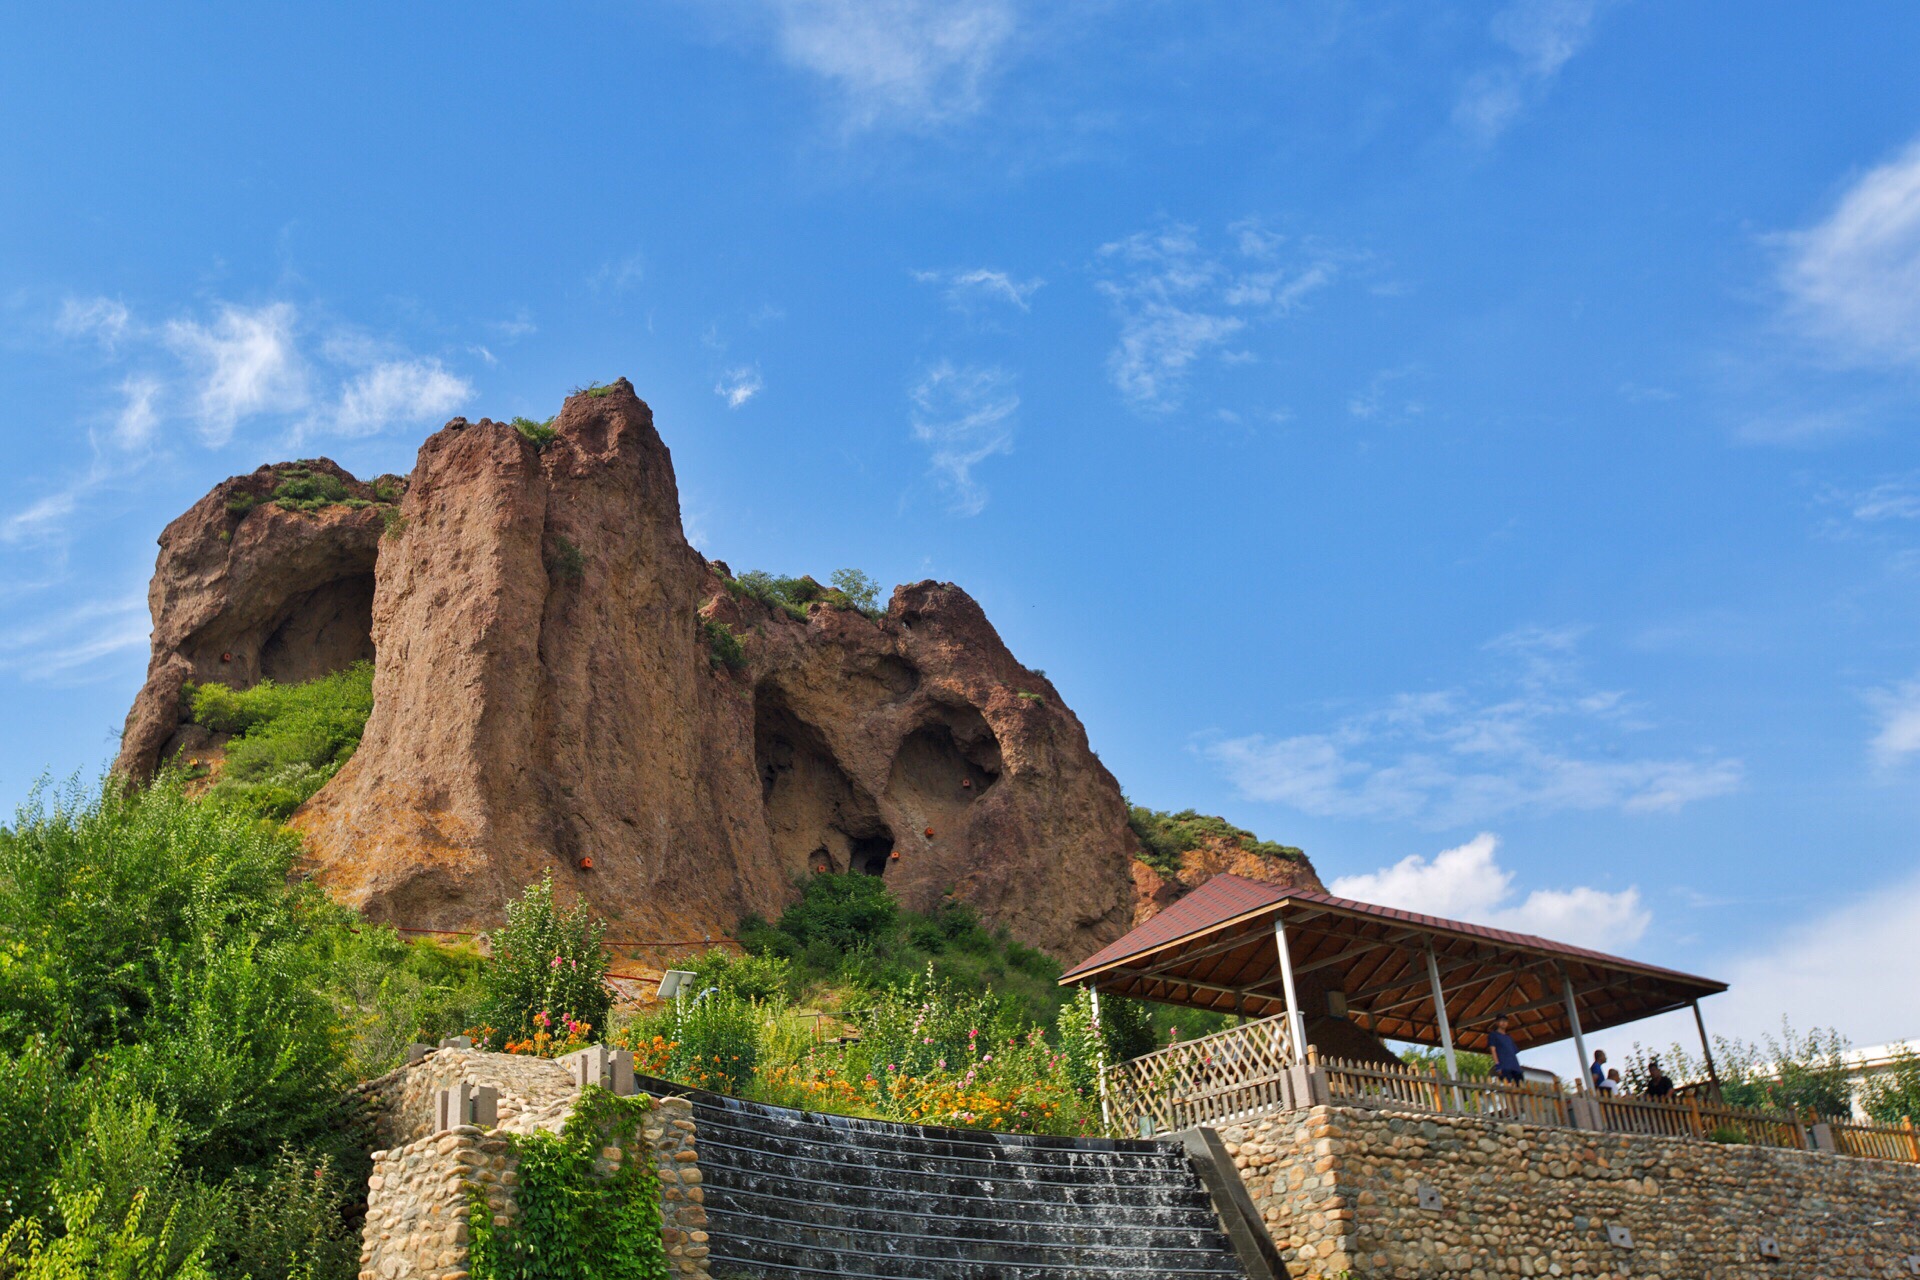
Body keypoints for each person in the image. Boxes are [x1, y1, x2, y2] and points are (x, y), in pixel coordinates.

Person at [1487, 1015, 1524, 1085]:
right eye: (1501, 1020)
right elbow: (1493, 1050)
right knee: (1508, 1087)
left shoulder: (1509, 1037)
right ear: (1497, 1023)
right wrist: (1498, 1066)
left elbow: (1513, 1052)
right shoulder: (1493, 1035)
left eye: (1505, 1021)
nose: (1504, 1022)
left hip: (1516, 1067)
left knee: (1520, 1087)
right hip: (1504, 1067)